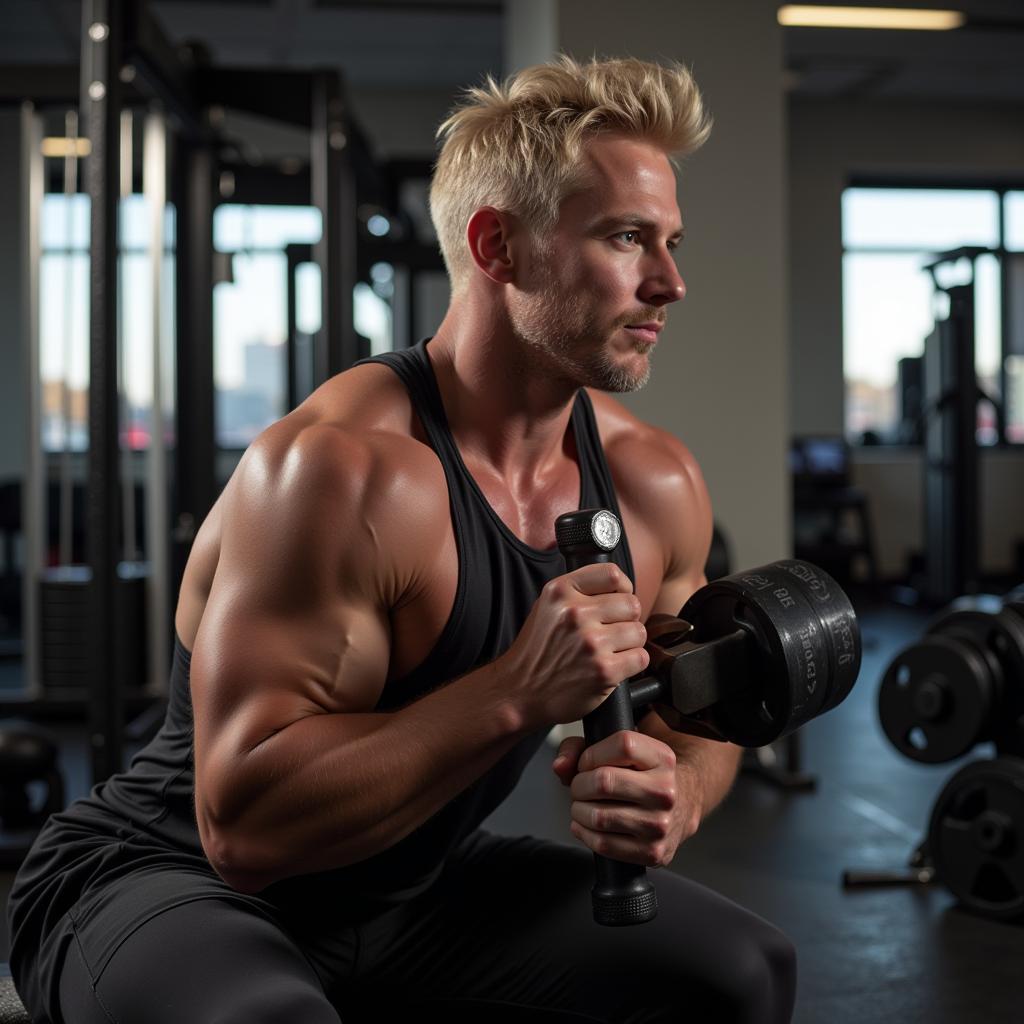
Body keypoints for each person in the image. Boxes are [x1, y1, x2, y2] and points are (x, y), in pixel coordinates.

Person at [8, 55, 796, 1023]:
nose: (669, 281)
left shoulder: (652, 482)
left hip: (412, 890)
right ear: (497, 247)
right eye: (627, 238)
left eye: (671, 241)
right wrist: (516, 689)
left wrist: (677, 790)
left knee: (741, 973)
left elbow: (696, 710)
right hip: (164, 879)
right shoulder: (338, 473)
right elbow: (240, 827)